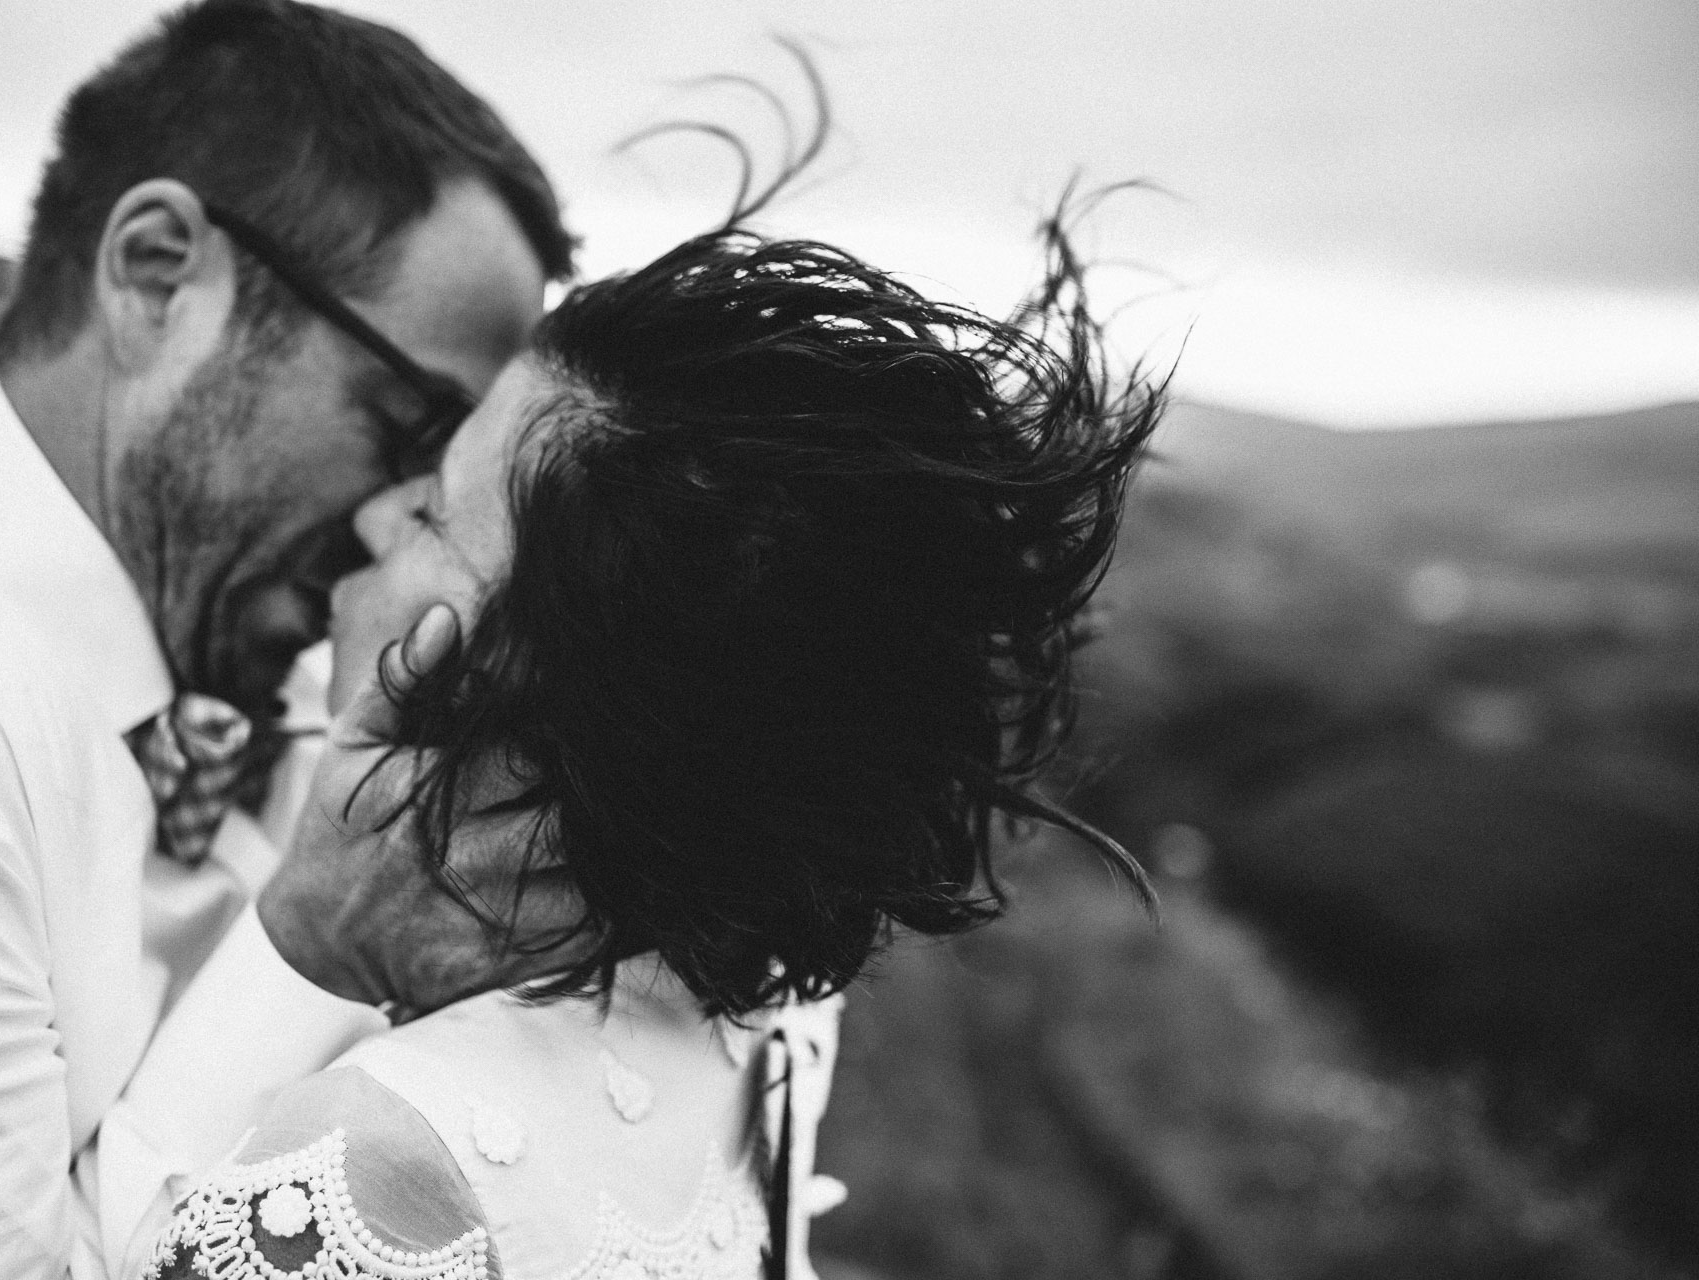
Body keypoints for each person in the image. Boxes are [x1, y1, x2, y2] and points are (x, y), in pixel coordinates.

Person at [136, 210, 1163, 1279]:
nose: (376, 516)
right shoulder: (764, 1009)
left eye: (437, 511)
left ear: (537, 700)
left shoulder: (375, 1175)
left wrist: (295, 944)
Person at [0, 3, 586, 1276]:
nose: (398, 518)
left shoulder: (264, 644)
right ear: (156, 271)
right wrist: (307, 947)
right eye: (403, 417)